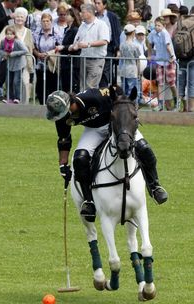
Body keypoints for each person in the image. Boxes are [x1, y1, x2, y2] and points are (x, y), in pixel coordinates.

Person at [45, 88, 168, 222]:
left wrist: (125, 111)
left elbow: (118, 91)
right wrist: (63, 165)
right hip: (94, 130)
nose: (61, 117)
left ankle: (155, 186)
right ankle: (89, 202)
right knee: (80, 158)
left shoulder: (93, 97)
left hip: (117, 124)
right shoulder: (60, 117)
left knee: (143, 148)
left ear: (70, 104)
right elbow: (64, 140)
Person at [0, 7, 34, 104]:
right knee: (10, 82)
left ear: (25, 19)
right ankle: (11, 102)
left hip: (24, 62)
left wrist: (30, 63)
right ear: (14, 17)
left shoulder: (28, 31)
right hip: (10, 61)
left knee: (24, 82)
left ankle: (24, 104)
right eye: (17, 16)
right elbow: (0, 40)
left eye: (22, 17)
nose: (19, 18)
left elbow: (30, 47)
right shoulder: (9, 29)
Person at [69, 3, 110, 91]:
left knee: (90, 87)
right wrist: (73, 47)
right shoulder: (82, 26)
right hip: (83, 59)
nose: (80, 14)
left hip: (96, 60)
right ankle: (84, 104)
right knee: (82, 87)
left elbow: (104, 41)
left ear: (89, 13)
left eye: (82, 12)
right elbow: (77, 41)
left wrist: (88, 44)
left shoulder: (101, 24)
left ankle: (90, 104)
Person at [147, 16, 177, 111]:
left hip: (169, 60)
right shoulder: (153, 33)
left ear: (163, 26)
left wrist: (172, 56)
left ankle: (176, 100)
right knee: (160, 83)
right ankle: (160, 104)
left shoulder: (165, 34)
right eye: (155, 25)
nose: (156, 27)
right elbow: (149, 44)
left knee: (171, 83)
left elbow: (168, 46)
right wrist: (149, 54)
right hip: (159, 61)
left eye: (159, 25)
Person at [33, 12, 61, 104]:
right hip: (40, 63)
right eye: (43, 21)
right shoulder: (37, 34)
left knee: (52, 85)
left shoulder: (56, 34)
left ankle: (52, 104)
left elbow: (60, 47)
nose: (45, 23)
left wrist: (49, 54)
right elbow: (33, 47)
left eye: (47, 21)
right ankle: (42, 103)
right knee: (40, 86)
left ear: (51, 22)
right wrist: (38, 54)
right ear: (41, 22)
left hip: (52, 63)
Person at [94, 0, 121, 87]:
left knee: (105, 71)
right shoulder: (94, 16)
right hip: (95, 47)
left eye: (99, 3)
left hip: (108, 47)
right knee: (96, 71)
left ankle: (104, 92)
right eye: (95, 3)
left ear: (104, 5)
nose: (96, 5)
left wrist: (118, 49)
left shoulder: (111, 16)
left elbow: (116, 32)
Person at [0, 25, 28, 103]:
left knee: (16, 81)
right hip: (10, 64)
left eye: (11, 34)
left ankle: (17, 98)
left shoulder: (17, 42)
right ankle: (10, 97)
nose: (9, 36)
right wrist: (4, 53)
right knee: (8, 81)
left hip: (19, 64)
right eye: (7, 34)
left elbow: (25, 50)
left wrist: (13, 53)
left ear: (14, 35)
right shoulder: (3, 41)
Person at [55, 6, 81, 93]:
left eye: (68, 15)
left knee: (72, 84)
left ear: (73, 17)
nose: (65, 16)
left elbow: (75, 45)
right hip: (65, 61)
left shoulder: (75, 30)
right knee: (65, 85)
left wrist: (63, 47)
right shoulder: (66, 29)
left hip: (72, 62)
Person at [119, 24, 140, 99]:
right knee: (132, 91)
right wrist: (139, 72)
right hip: (132, 70)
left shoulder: (122, 45)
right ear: (133, 32)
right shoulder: (135, 45)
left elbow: (121, 56)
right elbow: (137, 59)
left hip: (123, 69)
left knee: (124, 91)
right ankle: (133, 107)